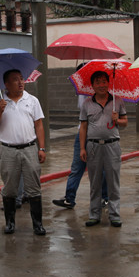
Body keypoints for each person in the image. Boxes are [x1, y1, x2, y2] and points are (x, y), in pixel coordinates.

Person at [0, 69, 47, 236]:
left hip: (30, 148)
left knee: (34, 188)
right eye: (15, 80)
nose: (20, 82)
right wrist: (0, 110)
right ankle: (10, 223)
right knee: (9, 188)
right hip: (8, 150)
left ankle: (38, 224)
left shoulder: (32, 100)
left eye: (21, 79)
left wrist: (42, 148)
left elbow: (39, 125)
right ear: (6, 84)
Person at [53, 64, 109, 210]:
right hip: (83, 134)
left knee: (101, 168)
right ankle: (69, 198)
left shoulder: (105, 95)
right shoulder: (82, 94)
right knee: (77, 167)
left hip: (99, 135)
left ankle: (105, 197)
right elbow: (83, 122)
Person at [79, 70, 127, 227]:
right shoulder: (87, 103)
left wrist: (117, 120)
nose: (101, 85)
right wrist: (82, 148)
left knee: (113, 182)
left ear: (108, 83)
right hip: (93, 146)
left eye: (104, 81)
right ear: (92, 85)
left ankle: (114, 215)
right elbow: (83, 127)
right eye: (98, 82)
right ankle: (94, 214)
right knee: (95, 182)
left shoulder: (117, 101)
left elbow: (125, 123)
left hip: (112, 145)